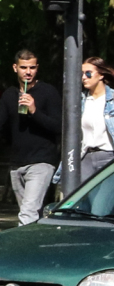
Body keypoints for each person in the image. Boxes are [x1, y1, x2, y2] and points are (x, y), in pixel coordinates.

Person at [0, 50, 61, 225]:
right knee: (32, 214)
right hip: (16, 163)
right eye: (23, 67)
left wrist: (34, 111)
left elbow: (58, 127)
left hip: (41, 162)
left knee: (27, 214)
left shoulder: (48, 92)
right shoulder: (9, 94)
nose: (28, 72)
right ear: (15, 68)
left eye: (32, 67)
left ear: (37, 68)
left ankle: (17, 250)